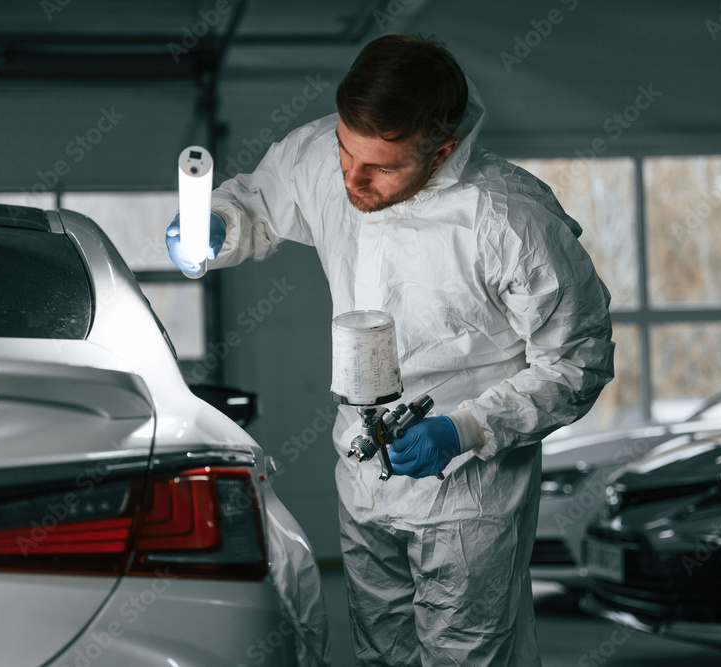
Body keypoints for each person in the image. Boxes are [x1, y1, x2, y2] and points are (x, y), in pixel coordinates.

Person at [167, 33, 613, 666]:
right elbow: (262, 202)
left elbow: (578, 361)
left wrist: (463, 429)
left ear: (442, 151)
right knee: (381, 650)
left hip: (468, 488)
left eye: (381, 166)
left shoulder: (508, 220)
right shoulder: (331, 153)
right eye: (346, 151)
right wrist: (216, 224)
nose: (352, 177)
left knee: (467, 654)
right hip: (362, 469)